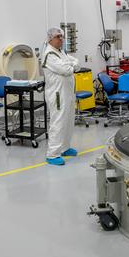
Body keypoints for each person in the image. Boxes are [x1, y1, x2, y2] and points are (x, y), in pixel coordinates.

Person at [41, 27, 80, 165]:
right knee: (57, 122)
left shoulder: (61, 52)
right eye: (58, 36)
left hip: (68, 93)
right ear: (50, 39)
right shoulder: (49, 55)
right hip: (57, 94)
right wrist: (71, 66)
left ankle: (65, 147)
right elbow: (66, 70)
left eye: (62, 36)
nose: (61, 39)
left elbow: (76, 62)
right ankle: (52, 154)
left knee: (68, 120)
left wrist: (71, 65)